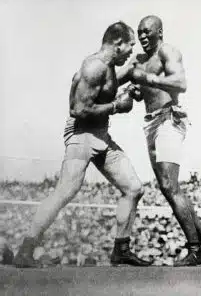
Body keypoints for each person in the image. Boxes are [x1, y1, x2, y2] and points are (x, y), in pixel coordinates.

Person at [13, 21, 151, 268]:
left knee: (133, 188)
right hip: (81, 135)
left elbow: (107, 88)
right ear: (117, 43)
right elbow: (78, 109)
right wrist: (117, 107)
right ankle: (26, 250)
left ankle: (121, 250)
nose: (131, 52)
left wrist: (128, 85)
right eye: (129, 47)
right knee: (65, 191)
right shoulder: (94, 67)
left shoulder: (106, 67)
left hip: (100, 135)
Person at [117, 15, 201, 266]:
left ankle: (195, 249)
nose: (143, 36)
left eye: (147, 32)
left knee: (168, 185)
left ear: (159, 32)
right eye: (139, 33)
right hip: (150, 123)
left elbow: (180, 83)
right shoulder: (139, 60)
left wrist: (147, 79)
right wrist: (124, 88)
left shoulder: (168, 52)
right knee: (170, 187)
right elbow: (118, 79)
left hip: (169, 119)